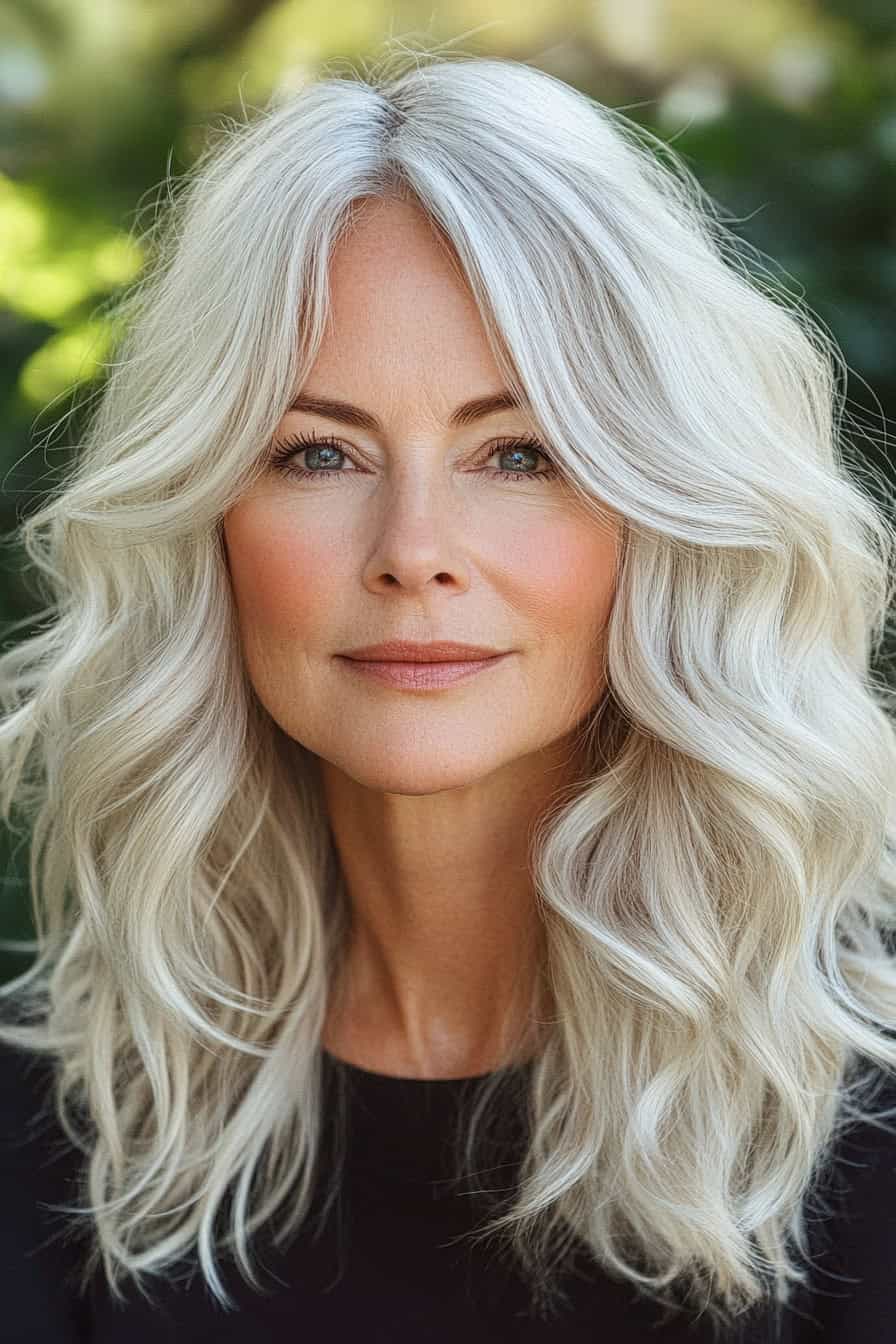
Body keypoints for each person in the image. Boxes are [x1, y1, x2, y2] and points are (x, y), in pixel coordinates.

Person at [1, 39, 895, 1344]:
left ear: (660, 512)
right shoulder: (56, 1137)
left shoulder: (860, 1132)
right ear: (207, 524)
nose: (414, 548)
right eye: (317, 451)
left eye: (519, 452)